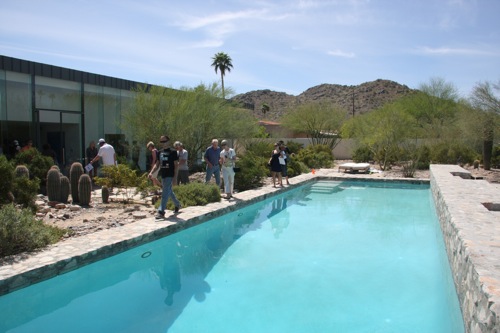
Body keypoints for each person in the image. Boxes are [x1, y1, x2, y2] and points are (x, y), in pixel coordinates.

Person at [149, 135, 181, 219]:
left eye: (164, 141)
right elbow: (157, 164)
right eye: (161, 142)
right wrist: (151, 172)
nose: (163, 143)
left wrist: (175, 178)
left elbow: (176, 165)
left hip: (170, 175)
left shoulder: (173, 152)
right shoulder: (160, 152)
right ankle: (177, 204)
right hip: (163, 174)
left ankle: (161, 211)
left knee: (164, 193)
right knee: (168, 191)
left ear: (168, 141)